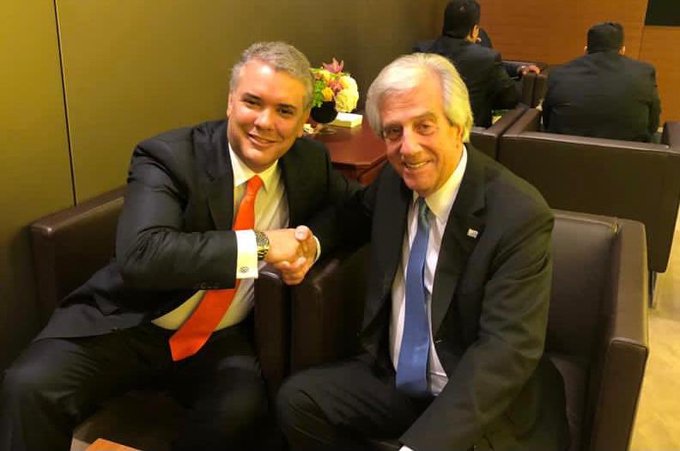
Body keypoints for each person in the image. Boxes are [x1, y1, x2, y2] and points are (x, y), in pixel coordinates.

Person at [0, 41, 356, 451]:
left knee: (241, 413)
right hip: (132, 321)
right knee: (29, 387)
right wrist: (261, 245)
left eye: (284, 111)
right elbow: (143, 255)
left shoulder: (309, 163)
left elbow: (351, 211)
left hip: (221, 337)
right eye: (252, 102)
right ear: (230, 101)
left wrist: (311, 245)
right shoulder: (170, 156)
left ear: (304, 120)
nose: (264, 122)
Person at [277, 53, 570, 451]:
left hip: (475, 396)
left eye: (424, 126)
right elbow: (348, 216)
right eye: (393, 132)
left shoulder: (518, 214)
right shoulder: (394, 183)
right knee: (298, 402)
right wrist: (309, 244)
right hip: (398, 380)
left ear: (458, 126)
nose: (408, 148)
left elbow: (504, 352)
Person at [542, 22, 661, 142]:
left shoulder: (559, 73)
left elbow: (546, 121)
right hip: (629, 151)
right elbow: (653, 125)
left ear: (586, 50)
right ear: (622, 51)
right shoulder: (644, 72)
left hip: (563, 151)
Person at [413, 0, 519, 127]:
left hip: (428, 127)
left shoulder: (421, 51)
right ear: (474, 30)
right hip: (471, 133)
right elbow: (509, 99)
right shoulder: (486, 57)